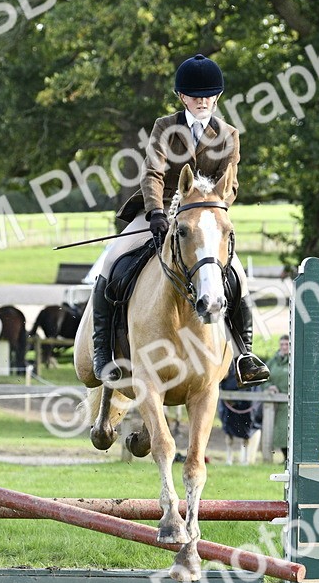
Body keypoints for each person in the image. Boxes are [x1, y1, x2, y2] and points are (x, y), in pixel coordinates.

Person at [87, 53, 268, 387]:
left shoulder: (228, 134)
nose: (202, 101)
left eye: (208, 96)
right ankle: (102, 352)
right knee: (111, 261)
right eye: (195, 96)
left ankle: (245, 353)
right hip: (158, 212)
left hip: (203, 219)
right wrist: (157, 211)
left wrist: (209, 209)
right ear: (182, 97)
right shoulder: (165, 127)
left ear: (217, 97)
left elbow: (231, 185)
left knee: (238, 276)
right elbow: (153, 172)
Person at [265, 334, 291, 464]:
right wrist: (269, 386)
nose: (284, 347)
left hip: (289, 402)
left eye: (287, 344)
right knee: (278, 431)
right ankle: (284, 458)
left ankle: (289, 458)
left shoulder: (293, 361)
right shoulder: (273, 361)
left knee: (286, 429)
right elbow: (264, 377)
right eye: (282, 344)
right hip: (274, 403)